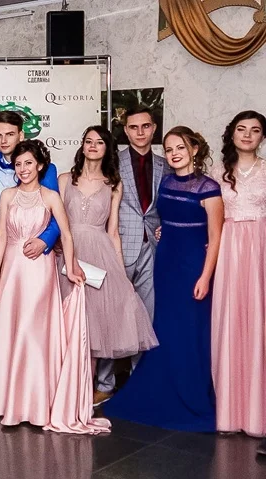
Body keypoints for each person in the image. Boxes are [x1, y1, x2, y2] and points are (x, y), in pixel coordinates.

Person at [0, 139, 108, 434]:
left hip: (39, 270)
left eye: (28, 163)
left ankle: (36, 404)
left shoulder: (50, 196)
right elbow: (1, 235)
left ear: (39, 165)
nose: (23, 169)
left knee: (32, 331)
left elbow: (67, 234)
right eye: (18, 164)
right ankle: (8, 402)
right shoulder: (7, 195)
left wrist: (72, 266)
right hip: (12, 270)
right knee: (11, 331)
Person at [104, 126, 223, 432]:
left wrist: (205, 277)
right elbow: (164, 218)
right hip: (166, 262)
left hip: (192, 266)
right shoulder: (167, 182)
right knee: (165, 327)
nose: (174, 154)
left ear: (194, 149)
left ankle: (191, 394)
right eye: (169, 149)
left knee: (190, 331)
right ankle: (163, 388)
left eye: (180, 147)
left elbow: (215, 238)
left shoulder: (209, 188)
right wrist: (162, 230)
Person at [57, 126, 158, 377]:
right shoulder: (64, 179)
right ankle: (67, 386)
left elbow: (113, 231)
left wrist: (121, 273)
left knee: (95, 321)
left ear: (107, 148)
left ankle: (90, 387)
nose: (93, 146)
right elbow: (55, 221)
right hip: (68, 252)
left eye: (99, 142)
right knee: (66, 320)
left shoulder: (113, 184)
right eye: (88, 141)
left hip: (100, 253)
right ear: (82, 146)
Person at [96, 105, 172, 405]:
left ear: (154, 128)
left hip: (152, 248)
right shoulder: (112, 160)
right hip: (117, 246)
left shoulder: (166, 164)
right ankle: (105, 383)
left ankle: (142, 382)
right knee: (110, 314)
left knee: (146, 318)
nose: (140, 132)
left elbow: (171, 203)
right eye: (133, 127)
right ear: (125, 131)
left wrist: (166, 226)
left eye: (146, 126)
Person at [208, 110, 266, 438]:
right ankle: (229, 411)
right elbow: (205, 215)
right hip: (228, 247)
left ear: (262, 137)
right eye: (241, 129)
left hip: (260, 248)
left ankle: (258, 412)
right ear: (232, 134)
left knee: (258, 320)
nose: (247, 135)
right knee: (228, 319)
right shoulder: (217, 172)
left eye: (255, 130)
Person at [0, 110, 60, 346]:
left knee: (32, 313)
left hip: (32, 248)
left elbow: (58, 215)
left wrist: (44, 241)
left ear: (21, 134)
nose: (3, 140)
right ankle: (4, 362)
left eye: (9, 134)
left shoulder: (46, 168)